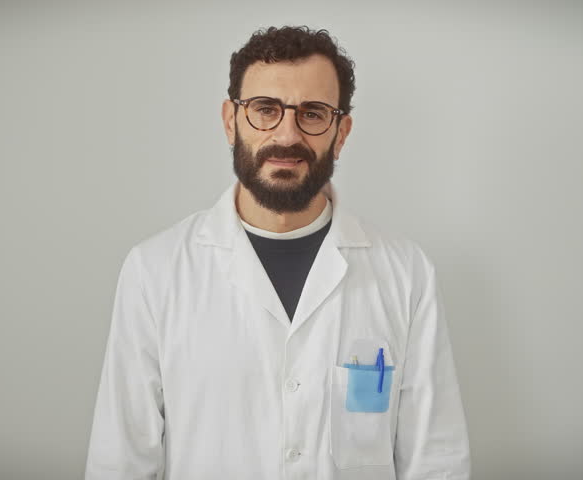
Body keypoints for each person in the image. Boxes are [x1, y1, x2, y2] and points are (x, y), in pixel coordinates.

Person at [84, 25, 471, 480]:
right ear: (231, 120)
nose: (287, 134)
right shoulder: (155, 271)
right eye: (265, 109)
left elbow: (437, 462)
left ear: (341, 132)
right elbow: (121, 461)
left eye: (312, 113)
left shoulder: (407, 274)